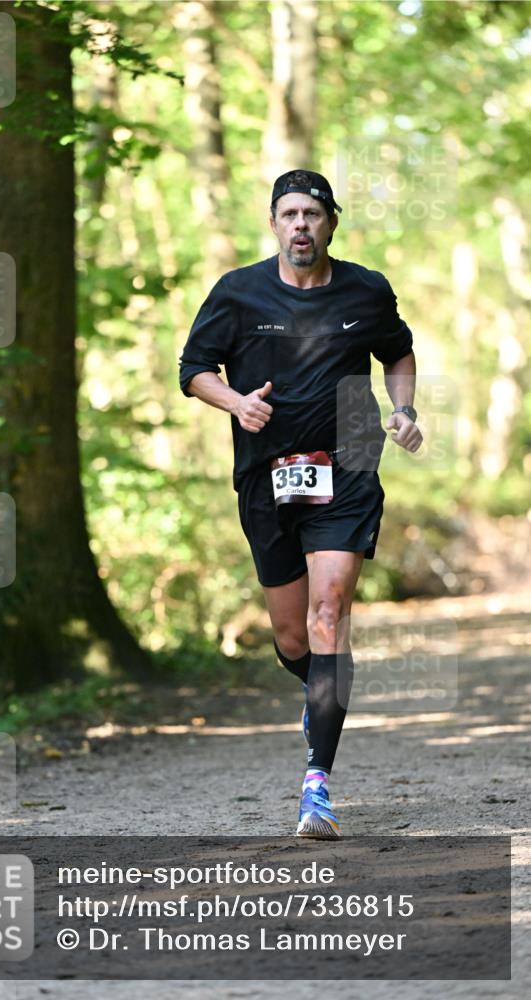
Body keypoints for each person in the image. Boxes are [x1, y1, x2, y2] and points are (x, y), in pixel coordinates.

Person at [179, 169, 422, 839]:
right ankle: (320, 690)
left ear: (331, 223)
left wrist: (401, 410)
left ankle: (316, 785)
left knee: (327, 612)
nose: (300, 225)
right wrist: (236, 402)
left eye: (311, 214)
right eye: (288, 214)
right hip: (266, 478)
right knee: (294, 639)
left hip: (346, 468)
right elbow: (192, 369)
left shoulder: (365, 290)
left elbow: (397, 352)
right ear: (273, 223)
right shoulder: (236, 292)